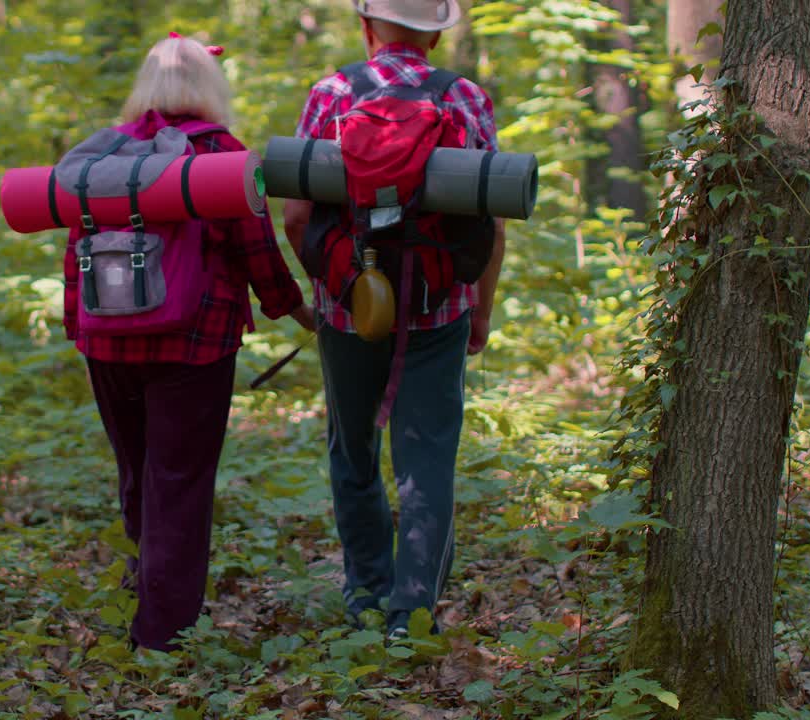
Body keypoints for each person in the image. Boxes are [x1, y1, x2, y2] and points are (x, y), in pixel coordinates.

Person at [62, 33, 314, 652]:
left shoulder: (105, 153)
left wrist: (80, 329)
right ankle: (162, 634)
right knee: (180, 480)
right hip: (195, 343)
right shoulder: (223, 155)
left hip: (109, 344)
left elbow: (77, 249)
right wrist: (295, 308)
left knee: (137, 472)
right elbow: (257, 250)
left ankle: (140, 591)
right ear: (210, 87)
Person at [283, 0, 506, 639]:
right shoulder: (465, 97)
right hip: (440, 306)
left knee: (352, 451)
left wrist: (334, 290)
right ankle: (412, 612)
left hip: (348, 306)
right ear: (436, 36)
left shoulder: (331, 94)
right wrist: (480, 313)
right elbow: (488, 224)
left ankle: (365, 597)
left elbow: (297, 216)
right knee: (427, 456)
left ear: (366, 26)